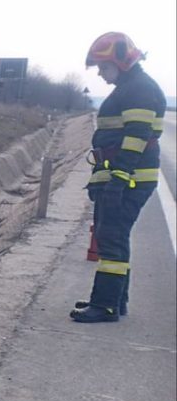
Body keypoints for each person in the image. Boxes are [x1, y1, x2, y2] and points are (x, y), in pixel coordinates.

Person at [70, 32, 165, 323]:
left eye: (104, 66)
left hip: (129, 177)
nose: (100, 72)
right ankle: (114, 299)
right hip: (125, 176)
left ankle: (106, 305)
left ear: (121, 61)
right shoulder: (131, 86)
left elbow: (137, 136)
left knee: (111, 236)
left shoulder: (138, 89)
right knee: (115, 235)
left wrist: (119, 179)